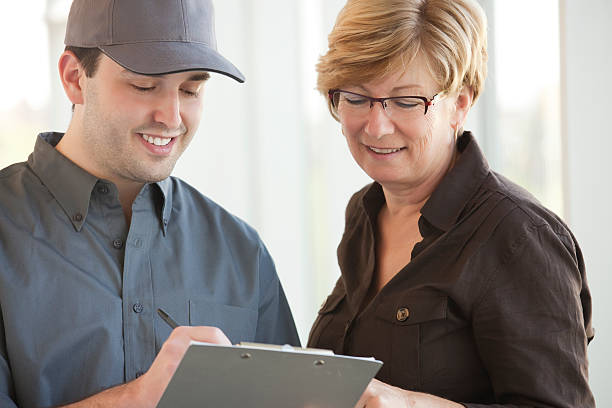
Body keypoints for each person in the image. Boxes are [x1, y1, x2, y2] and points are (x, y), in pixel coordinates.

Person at [0, 0, 299, 407]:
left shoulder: (242, 252)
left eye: (191, 89)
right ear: (74, 78)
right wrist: (136, 398)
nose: (172, 116)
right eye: (144, 85)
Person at [307, 1, 594, 407]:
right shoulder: (364, 213)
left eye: (406, 101)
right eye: (356, 97)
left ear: (461, 102)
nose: (375, 125)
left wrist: (411, 405)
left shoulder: (518, 236)